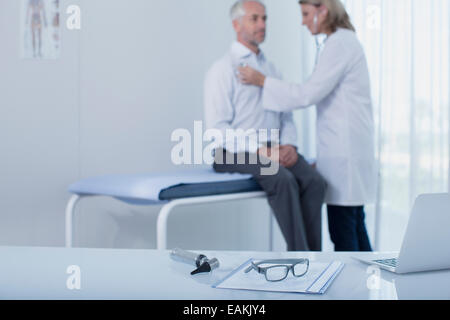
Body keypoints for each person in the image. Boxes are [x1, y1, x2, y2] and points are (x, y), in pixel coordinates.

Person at [237, 0, 376, 252]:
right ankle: (367, 289)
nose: (302, 22)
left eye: (305, 14)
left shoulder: (339, 44)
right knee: (354, 225)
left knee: (344, 231)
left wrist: (262, 81)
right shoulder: (344, 42)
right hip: (348, 152)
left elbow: (307, 94)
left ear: (323, 10)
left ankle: (353, 291)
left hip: (345, 155)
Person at [204, 0, 327, 252]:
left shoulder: (271, 70)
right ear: (236, 25)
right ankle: (301, 259)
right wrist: (260, 150)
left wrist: (290, 145)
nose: (262, 24)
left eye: (265, 18)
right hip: (229, 151)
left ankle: (317, 260)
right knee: (281, 178)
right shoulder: (222, 70)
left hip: (273, 148)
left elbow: (286, 116)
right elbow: (218, 129)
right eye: (254, 18)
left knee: (315, 181)